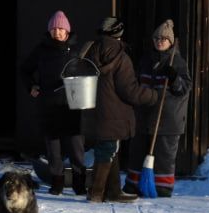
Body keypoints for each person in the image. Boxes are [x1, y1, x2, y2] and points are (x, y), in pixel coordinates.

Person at [82, 16, 158, 203]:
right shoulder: (121, 57)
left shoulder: (89, 50)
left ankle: (113, 191)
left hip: (94, 111)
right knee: (107, 149)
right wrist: (152, 96)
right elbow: (129, 90)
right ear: (119, 33)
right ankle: (96, 192)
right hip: (114, 112)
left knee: (109, 148)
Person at [19, 10, 87, 196]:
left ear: (67, 31)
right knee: (53, 147)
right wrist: (31, 86)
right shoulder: (41, 50)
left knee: (76, 146)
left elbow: (88, 73)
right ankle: (57, 182)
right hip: (49, 103)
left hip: (73, 104)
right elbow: (25, 70)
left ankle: (79, 182)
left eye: (60, 29)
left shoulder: (77, 51)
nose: (57, 32)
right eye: (54, 28)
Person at [126, 19, 192, 198]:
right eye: (157, 38)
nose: (160, 41)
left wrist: (174, 79)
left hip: (168, 119)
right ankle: (133, 184)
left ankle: (162, 187)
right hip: (145, 115)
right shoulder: (146, 61)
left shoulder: (177, 62)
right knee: (137, 151)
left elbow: (184, 88)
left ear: (170, 42)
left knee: (164, 156)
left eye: (164, 39)